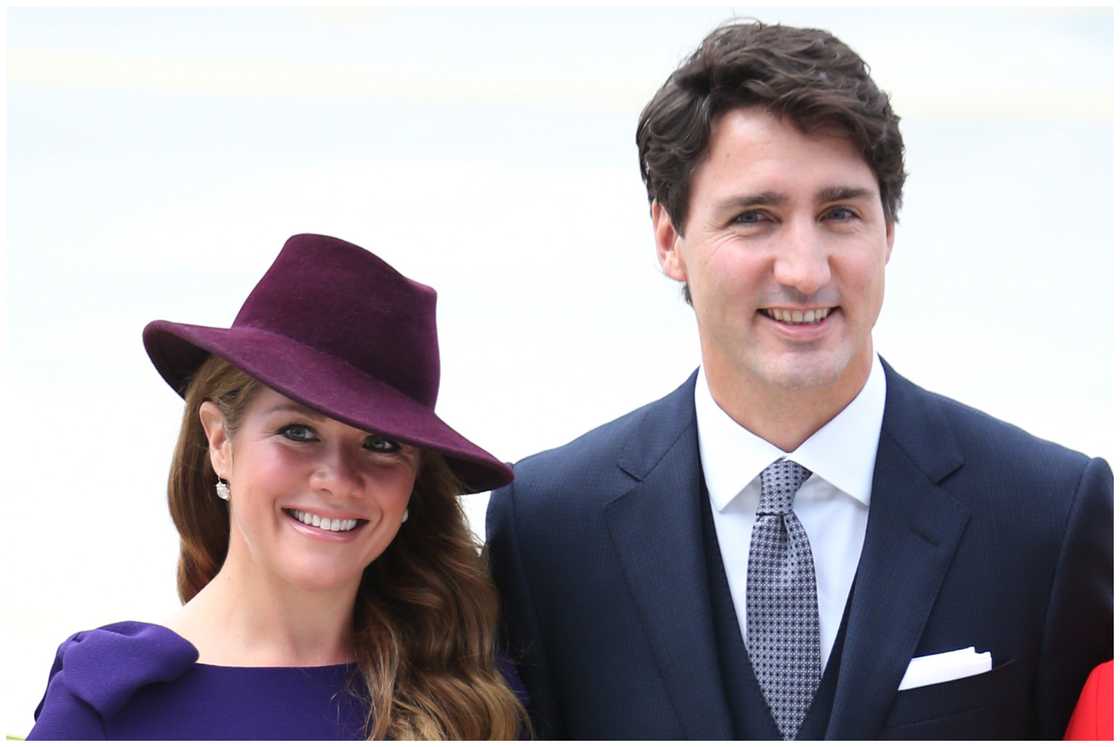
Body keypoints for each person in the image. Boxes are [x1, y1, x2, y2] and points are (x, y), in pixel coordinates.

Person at [486, 20, 1113, 740]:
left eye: (840, 213)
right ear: (669, 239)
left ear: (888, 232)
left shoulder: (1049, 515)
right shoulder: (547, 526)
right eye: (755, 217)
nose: (806, 271)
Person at [29, 233, 527, 739]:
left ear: (414, 482)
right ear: (220, 442)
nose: (337, 479)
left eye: (381, 444)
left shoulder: (476, 700)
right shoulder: (110, 706)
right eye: (298, 432)